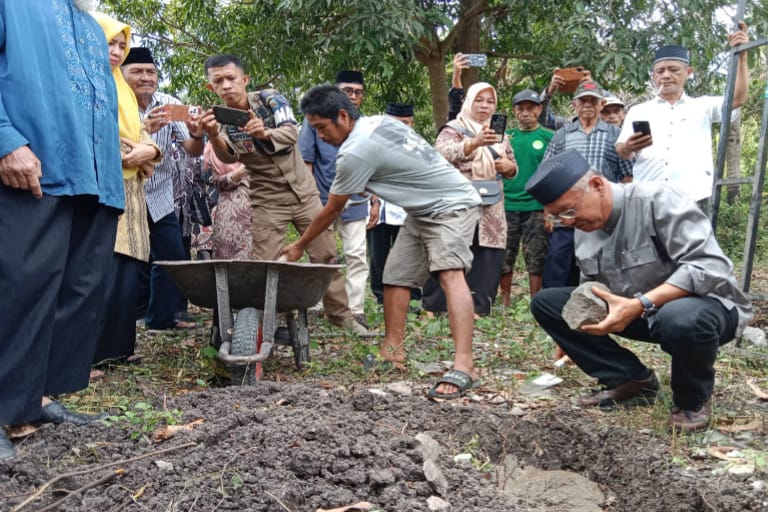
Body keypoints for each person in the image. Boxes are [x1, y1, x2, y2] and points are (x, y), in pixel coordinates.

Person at [527, 149, 752, 431]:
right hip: (639, 311)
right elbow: (591, 288)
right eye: (559, 217)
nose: (569, 222)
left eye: (570, 211)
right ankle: (631, 381)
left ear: (597, 185)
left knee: (681, 317)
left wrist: (642, 303)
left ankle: (691, 401)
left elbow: (710, 267)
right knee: (548, 303)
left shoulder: (658, 199)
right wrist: (575, 325)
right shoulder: (584, 229)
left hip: (708, 310)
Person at [284, 84, 483, 400]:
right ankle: (392, 350)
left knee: (449, 273)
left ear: (342, 115)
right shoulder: (378, 122)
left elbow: (332, 209)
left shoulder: (353, 152)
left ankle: (465, 364)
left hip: (452, 204)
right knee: (395, 275)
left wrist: (298, 245)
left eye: (321, 127)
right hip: (422, 208)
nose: (320, 136)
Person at [0, 0, 124, 460]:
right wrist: (5, 139)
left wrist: (109, 175)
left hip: (92, 176)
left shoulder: (93, 28)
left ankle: (36, 399)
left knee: (78, 289)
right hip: (32, 164)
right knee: (19, 287)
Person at [199, 55, 365, 335]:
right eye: (218, 81)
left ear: (244, 79)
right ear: (210, 87)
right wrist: (213, 135)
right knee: (267, 265)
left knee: (325, 256)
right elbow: (227, 154)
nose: (226, 85)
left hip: (303, 193)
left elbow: (291, 134)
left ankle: (340, 315)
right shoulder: (219, 119)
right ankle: (266, 322)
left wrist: (264, 133)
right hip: (266, 200)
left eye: (231, 78)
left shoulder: (270, 99)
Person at [91, 13, 162, 366]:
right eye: (110, 43)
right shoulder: (89, 82)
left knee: (127, 274)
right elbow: (99, 135)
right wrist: (140, 152)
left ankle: (119, 351)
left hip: (132, 195)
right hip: (102, 190)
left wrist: (150, 150)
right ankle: (94, 355)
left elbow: (142, 138)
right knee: (102, 273)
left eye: (122, 45)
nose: (117, 52)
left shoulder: (123, 90)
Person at [616, 24, 750, 209]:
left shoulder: (702, 106)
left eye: (673, 70)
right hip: (647, 200)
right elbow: (622, 151)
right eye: (660, 71)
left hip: (693, 199)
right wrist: (628, 147)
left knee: (695, 239)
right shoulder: (639, 111)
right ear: (653, 76)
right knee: (646, 240)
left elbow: (738, 98)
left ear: (688, 73)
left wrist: (741, 55)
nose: (666, 76)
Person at [121, 46, 205, 331]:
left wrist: (196, 132)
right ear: (121, 74)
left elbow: (193, 149)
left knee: (172, 259)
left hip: (159, 195)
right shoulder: (115, 103)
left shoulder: (169, 104)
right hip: (123, 195)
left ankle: (159, 320)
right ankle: (124, 322)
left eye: (151, 72)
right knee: (126, 259)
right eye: (137, 72)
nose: (146, 78)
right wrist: (143, 127)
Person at [422, 82, 517, 317]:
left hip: (491, 204)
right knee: (449, 248)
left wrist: (508, 167)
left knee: (487, 254)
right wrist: (474, 143)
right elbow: (441, 154)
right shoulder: (454, 127)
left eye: (490, 101)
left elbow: (513, 166)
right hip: (458, 200)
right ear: (468, 102)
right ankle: (434, 305)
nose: (485, 105)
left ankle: (478, 308)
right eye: (479, 99)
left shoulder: (500, 135)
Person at [540, 80, 633, 291]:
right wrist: (547, 211)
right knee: (558, 259)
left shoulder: (615, 135)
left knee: (598, 262)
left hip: (601, 214)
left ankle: (596, 303)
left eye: (593, 100)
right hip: (566, 213)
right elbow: (547, 173)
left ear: (601, 105)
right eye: (583, 100)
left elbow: (627, 175)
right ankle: (554, 303)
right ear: (575, 105)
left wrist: (627, 211)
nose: (588, 105)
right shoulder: (562, 135)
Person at [299, 70, 370, 328]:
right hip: (322, 200)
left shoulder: (365, 126)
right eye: (347, 91)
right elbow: (306, 160)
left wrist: (373, 200)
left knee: (356, 255)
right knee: (323, 256)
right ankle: (319, 303)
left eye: (357, 92)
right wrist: (310, 199)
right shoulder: (314, 122)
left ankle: (355, 309)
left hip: (357, 202)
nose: (352, 96)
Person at [499, 89, 553, 305]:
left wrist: (550, 205)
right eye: (520, 109)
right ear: (514, 111)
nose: (525, 113)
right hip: (506, 204)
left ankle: (535, 300)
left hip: (536, 206)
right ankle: (504, 300)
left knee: (536, 257)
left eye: (530, 108)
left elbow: (553, 172)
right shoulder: (505, 137)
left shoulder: (549, 137)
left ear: (539, 109)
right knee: (504, 255)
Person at [367, 103, 422, 305]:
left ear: (412, 123)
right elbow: (368, 176)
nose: (401, 127)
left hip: (407, 209)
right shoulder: (373, 144)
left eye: (406, 123)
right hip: (379, 208)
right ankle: (381, 298)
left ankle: (413, 297)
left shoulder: (419, 146)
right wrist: (374, 202)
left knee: (410, 255)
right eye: (396, 123)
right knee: (378, 255)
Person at [204, 142, 252, 259]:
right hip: (229, 216)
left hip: (259, 213)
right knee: (226, 266)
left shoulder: (256, 140)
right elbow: (213, 180)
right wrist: (239, 172)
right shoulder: (215, 146)